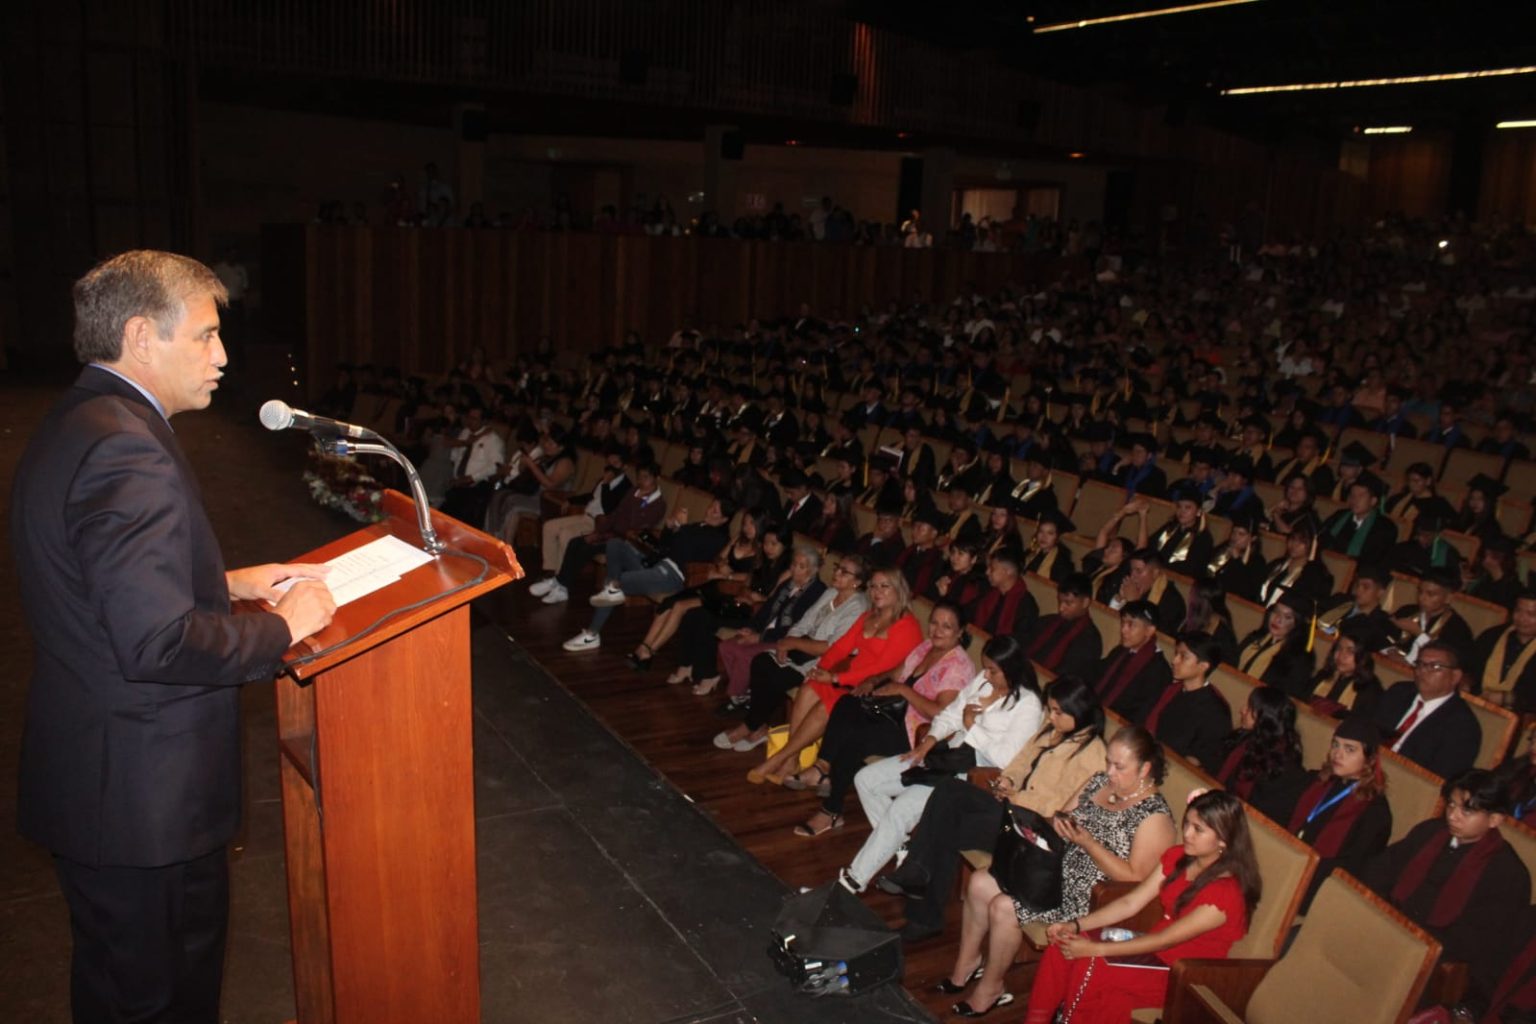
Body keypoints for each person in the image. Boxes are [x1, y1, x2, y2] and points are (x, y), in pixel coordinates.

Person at [10, 250, 338, 1022]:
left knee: (121, 992)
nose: (222, 357)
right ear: (139, 335)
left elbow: (94, 578)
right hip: (143, 803)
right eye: (204, 336)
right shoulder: (127, 449)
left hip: (104, 785)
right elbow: (155, 643)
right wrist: (283, 627)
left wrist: (224, 582)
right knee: (157, 1004)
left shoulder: (80, 418)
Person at [942, 724, 1175, 1015]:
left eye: (1119, 766)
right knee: (979, 882)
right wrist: (1042, 831)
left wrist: (1088, 843)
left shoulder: (1154, 817)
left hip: (1090, 897)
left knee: (1004, 907)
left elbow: (1134, 880)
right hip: (1054, 871)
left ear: (1144, 770)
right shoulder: (1099, 782)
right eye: (1108, 762)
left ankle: (991, 987)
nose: (1110, 772)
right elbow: (1060, 819)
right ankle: (967, 964)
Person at [854, 639, 1047, 941]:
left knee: (902, 808)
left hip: (972, 774)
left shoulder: (1027, 704)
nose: (987, 675)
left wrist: (973, 727)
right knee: (867, 779)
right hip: (945, 756)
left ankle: (854, 879)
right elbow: (951, 713)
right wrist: (929, 741)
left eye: (994, 671)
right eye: (985, 668)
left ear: (1012, 669)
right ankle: (902, 848)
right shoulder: (984, 681)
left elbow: (1006, 759)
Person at [1020, 790, 1260, 1024]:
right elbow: (1130, 902)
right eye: (1187, 823)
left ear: (1223, 839)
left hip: (1180, 974)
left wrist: (1095, 949)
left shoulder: (1226, 893)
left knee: (1090, 963)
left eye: (1198, 829)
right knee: (1064, 942)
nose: (1186, 833)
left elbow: (1166, 940)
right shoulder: (1179, 857)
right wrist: (1075, 924)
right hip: (1150, 951)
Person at [784, 601, 977, 837]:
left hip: (915, 732)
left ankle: (831, 811)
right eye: (934, 623)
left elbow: (940, 715)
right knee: (846, 703)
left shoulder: (957, 666)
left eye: (946, 627)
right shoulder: (926, 647)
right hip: (892, 712)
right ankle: (823, 766)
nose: (937, 630)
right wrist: (873, 681)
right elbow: (896, 672)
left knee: (856, 738)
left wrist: (904, 691)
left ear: (959, 632)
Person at [1364, 770, 1532, 1019]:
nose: (1453, 815)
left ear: (1494, 819)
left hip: (1433, 962)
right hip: (1385, 928)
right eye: (1451, 805)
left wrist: (1405, 939)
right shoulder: (1430, 832)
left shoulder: (1507, 874)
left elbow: (1477, 944)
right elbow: (1381, 870)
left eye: (1467, 811)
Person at [747, 568, 923, 783]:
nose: (877, 591)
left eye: (884, 586)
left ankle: (777, 759)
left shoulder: (907, 626)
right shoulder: (868, 616)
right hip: (849, 677)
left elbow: (879, 668)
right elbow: (841, 648)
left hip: (876, 687)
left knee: (826, 707)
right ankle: (791, 759)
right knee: (808, 687)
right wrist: (821, 669)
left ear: (899, 590)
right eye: (874, 586)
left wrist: (835, 679)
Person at [714, 555, 870, 737]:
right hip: (801, 647)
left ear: (857, 582)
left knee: (776, 675)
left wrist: (791, 642)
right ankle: (758, 725)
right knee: (760, 661)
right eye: (837, 567)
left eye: (844, 572)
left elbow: (832, 647)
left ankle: (751, 726)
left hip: (823, 661)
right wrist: (787, 642)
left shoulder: (857, 607)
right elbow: (804, 621)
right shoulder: (830, 593)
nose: (836, 573)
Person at [561, 497, 735, 652]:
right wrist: (670, 528)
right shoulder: (698, 525)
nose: (709, 511)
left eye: (715, 511)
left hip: (672, 576)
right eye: (710, 507)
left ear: (724, 519)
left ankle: (592, 633)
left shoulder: (718, 539)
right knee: (615, 545)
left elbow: (689, 554)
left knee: (620, 581)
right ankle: (612, 588)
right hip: (657, 563)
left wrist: (680, 529)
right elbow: (666, 545)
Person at [1289, 714, 1394, 909]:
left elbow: (1351, 870)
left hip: (1318, 889)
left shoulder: (1375, 812)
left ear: (1370, 759)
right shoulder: (1319, 781)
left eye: (1350, 749)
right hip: (1291, 863)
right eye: (1335, 745)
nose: (1338, 754)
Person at [1373, 639, 1483, 779]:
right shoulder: (1399, 692)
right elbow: (1369, 730)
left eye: (1435, 667)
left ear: (1455, 676)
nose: (1423, 671)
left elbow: (1437, 780)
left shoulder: (1462, 727)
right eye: (1420, 664)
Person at [1213, 686, 1311, 823]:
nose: (1242, 711)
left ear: (1265, 718)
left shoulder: (1283, 766)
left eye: (1249, 708)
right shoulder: (1243, 740)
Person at [1142, 632, 1234, 769]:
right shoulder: (1170, 689)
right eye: (1176, 654)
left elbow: (1197, 761)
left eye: (1184, 657)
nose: (1174, 661)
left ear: (1203, 666)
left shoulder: (1216, 712)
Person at [1091, 600, 1174, 723]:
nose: (1124, 629)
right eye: (1123, 623)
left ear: (1149, 631)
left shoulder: (1159, 671)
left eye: (1131, 625)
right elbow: (1096, 675)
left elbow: (1141, 715)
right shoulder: (1120, 651)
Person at [1233, 589, 1317, 698]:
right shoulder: (1255, 638)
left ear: (1298, 624)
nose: (1277, 619)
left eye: (1287, 617)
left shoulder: (1300, 658)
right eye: (1276, 612)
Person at [1466, 586, 1536, 714]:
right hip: (1474, 704)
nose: (1522, 618)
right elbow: (1468, 666)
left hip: (1518, 717)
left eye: (1531, 614)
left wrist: (1507, 698)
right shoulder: (1492, 636)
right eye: (1518, 611)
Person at [1023, 573, 1105, 681]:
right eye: (1060, 601)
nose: (1061, 608)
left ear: (1085, 602)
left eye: (1068, 603)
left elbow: (1068, 676)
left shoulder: (1089, 639)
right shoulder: (1048, 621)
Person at [1308, 617, 1388, 719]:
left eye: (1350, 651)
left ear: (1363, 657)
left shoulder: (1370, 692)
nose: (1341, 655)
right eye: (1339, 648)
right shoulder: (1324, 675)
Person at [1256, 520, 1333, 608]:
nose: (1294, 544)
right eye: (1293, 539)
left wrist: (1311, 564)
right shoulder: (1277, 564)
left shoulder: (1317, 576)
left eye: (1302, 542)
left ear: (1313, 546)